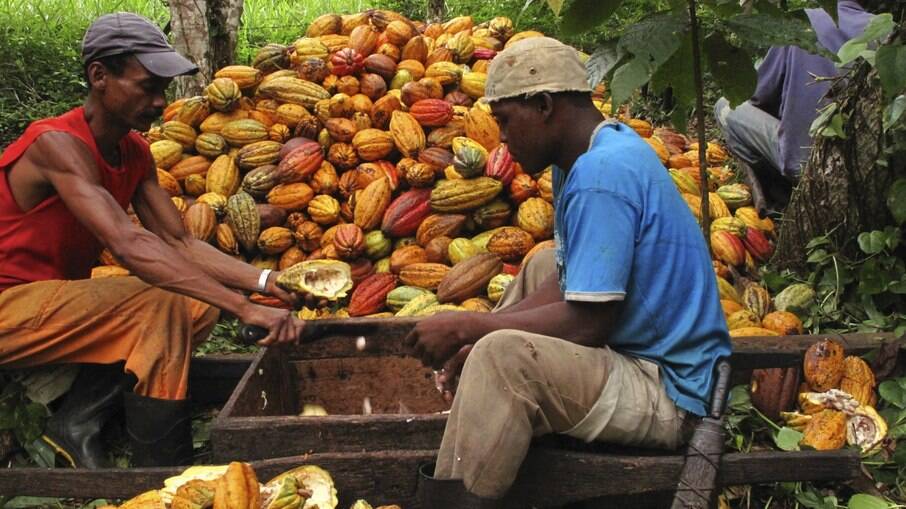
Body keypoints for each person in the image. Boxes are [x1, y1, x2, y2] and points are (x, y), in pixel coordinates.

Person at [406, 37, 732, 508]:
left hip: (671, 392)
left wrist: (473, 328)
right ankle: (485, 408)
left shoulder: (601, 175)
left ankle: (454, 501)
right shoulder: (585, 156)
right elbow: (571, 279)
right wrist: (474, 338)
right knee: (542, 262)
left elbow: (588, 322)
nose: (500, 138)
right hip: (645, 354)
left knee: (504, 359)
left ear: (542, 106)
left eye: (504, 122)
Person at [0, 12, 305, 468]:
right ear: (99, 76)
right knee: (159, 304)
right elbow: (128, 245)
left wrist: (264, 281)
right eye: (147, 86)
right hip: (10, 302)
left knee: (197, 305)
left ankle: (77, 421)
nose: (160, 101)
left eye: (163, 88)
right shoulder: (55, 144)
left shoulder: (135, 151)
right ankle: (160, 468)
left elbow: (179, 241)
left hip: (49, 302)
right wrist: (243, 307)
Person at [714, 0, 874, 207]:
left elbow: (757, 95)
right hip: (861, 173)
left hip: (808, 166)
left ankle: (780, 197)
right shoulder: (885, 32)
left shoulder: (803, 22)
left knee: (726, 106)